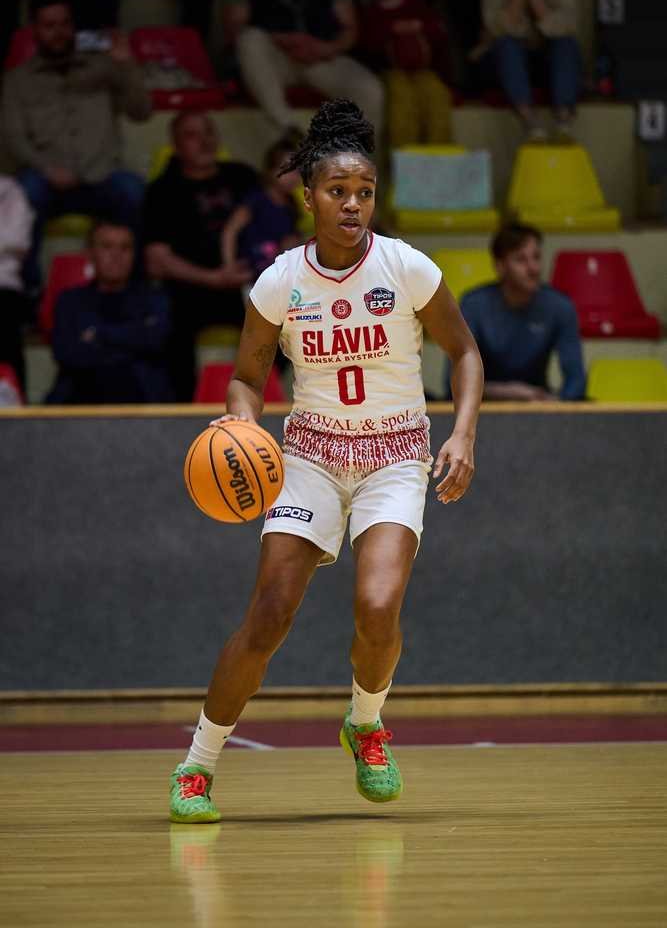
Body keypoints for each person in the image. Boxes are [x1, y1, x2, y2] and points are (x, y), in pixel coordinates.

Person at [168, 99, 484, 822]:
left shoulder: (406, 267)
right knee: (269, 615)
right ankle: (197, 765)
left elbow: (464, 352)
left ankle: (364, 724)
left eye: (364, 192)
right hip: (309, 455)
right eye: (337, 191)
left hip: (394, 455)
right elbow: (247, 377)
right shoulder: (280, 281)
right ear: (307, 196)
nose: (352, 204)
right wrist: (241, 422)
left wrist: (462, 434)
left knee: (377, 607)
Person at [2, 0, 151, 294]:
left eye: (64, 24)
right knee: (24, 193)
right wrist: (46, 169)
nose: (58, 32)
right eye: (49, 25)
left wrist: (127, 65)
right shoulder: (17, 80)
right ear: (35, 30)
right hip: (46, 179)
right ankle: (26, 292)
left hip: (101, 176)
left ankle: (136, 288)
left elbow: (141, 111)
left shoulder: (105, 67)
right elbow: (13, 138)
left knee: (133, 190)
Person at [223, 0, 384, 139]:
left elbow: (350, 28)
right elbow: (234, 27)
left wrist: (325, 48)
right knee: (249, 39)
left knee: (370, 89)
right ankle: (291, 132)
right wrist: (279, 39)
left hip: (319, 56)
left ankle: (353, 158)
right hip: (274, 58)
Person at [144, 109, 258, 401]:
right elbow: (157, 260)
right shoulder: (162, 191)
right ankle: (182, 412)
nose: (204, 141)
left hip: (250, 283)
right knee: (168, 333)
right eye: (192, 135)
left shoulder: (243, 177)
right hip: (191, 289)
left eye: (208, 132)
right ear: (176, 145)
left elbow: (275, 220)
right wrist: (214, 278)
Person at [47, 219, 172, 404]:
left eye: (125, 248)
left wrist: (98, 334)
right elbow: (67, 354)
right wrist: (132, 339)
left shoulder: (154, 300)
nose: (116, 255)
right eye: (107, 247)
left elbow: (154, 341)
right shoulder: (69, 301)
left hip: (142, 403)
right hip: (78, 403)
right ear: (90, 253)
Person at [456, 223, 586, 401]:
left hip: (539, 406)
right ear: (500, 266)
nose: (533, 268)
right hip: (482, 406)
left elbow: (576, 382)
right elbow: (456, 381)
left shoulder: (559, 306)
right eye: (521, 259)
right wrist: (512, 393)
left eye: (536, 257)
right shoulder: (474, 306)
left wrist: (555, 404)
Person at [477, 0, 582, 142]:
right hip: (503, 62)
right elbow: (500, 29)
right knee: (507, 45)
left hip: (548, 62)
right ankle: (531, 123)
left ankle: (564, 123)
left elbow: (563, 27)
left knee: (565, 44)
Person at [359, 0, 452, 146]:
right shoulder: (370, 9)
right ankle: (403, 161)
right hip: (389, 73)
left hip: (422, 71)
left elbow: (439, 36)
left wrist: (419, 27)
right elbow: (366, 44)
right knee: (401, 98)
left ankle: (439, 159)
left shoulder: (418, 7)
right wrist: (393, 30)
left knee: (437, 94)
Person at [221, 139, 301, 287]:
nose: (292, 176)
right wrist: (229, 266)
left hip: (275, 279)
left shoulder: (291, 205)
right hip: (249, 278)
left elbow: (288, 242)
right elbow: (230, 231)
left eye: (297, 171)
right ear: (270, 170)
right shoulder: (256, 200)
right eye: (285, 169)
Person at [0, 175, 33, 393]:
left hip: (4, 287)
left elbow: (18, 241)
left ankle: (13, 399)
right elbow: (8, 241)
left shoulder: (10, 191)